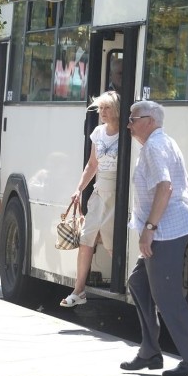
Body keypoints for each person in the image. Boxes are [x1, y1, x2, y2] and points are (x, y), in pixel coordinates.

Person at [120, 100, 188, 376]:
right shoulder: (160, 142)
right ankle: (150, 351)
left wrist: (149, 227)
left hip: (165, 230)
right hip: (166, 228)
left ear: (149, 120)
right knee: (138, 281)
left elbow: (166, 186)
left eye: (133, 119)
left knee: (166, 295)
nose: (129, 124)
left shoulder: (155, 147)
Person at [60, 90, 120, 307]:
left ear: (117, 110)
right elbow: (92, 165)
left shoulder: (127, 134)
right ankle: (79, 291)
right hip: (98, 192)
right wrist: (79, 189)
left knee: (113, 244)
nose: (102, 112)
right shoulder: (98, 132)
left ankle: (130, 288)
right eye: (100, 108)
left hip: (116, 196)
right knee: (86, 240)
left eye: (107, 108)